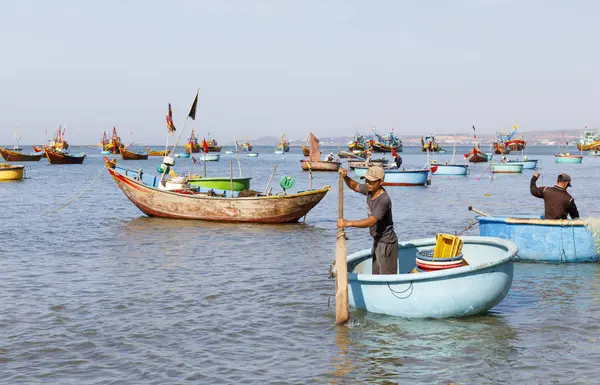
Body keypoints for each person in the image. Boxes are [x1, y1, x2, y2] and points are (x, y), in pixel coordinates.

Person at [337, 166, 399, 274]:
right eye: (366, 180)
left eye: (371, 181)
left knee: (386, 277)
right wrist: (345, 177)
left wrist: (348, 223)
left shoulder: (384, 200)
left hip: (387, 243)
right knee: (376, 274)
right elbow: (355, 186)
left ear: (381, 182)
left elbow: (372, 221)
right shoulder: (370, 189)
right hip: (377, 240)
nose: (368, 183)